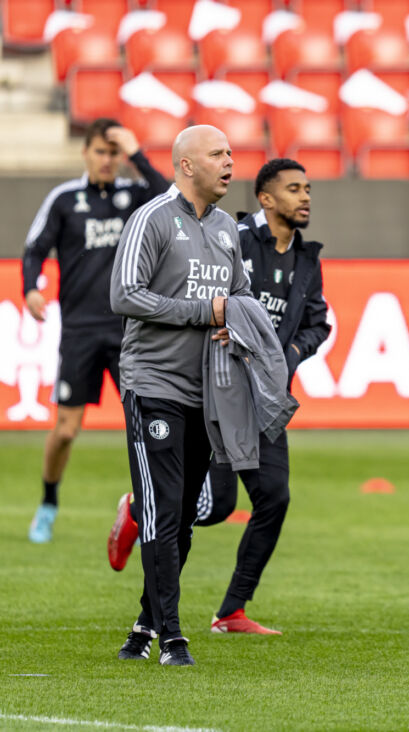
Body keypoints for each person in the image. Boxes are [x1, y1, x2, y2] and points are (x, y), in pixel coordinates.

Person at [107, 158, 331, 634]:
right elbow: (183, 291)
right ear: (266, 199)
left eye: (308, 188)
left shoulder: (308, 259)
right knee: (213, 506)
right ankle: (139, 510)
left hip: (264, 392)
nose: (306, 197)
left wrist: (288, 352)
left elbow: (318, 324)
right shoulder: (232, 234)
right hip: (220, 387)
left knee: (274, 496)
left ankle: (231, 609)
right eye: (294, 189)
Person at [109, 125, 250, 666]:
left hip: (206, 393)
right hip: (154, 386)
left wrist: (232, 322)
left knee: (185, 515)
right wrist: (201, 313)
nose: (229, 162)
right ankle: (172, 638)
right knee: (164, 511)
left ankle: (145, 625)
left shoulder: (226, 230)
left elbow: (235, 296)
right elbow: (124, 295)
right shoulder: (152, 218)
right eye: (218, 154)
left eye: (231, 153)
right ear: (186, 165)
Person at [23, 118, 170, 543]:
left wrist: (137, 153)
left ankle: (151, 507)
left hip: (131, 331)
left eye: (114, 152)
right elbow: (35, 248)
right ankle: (49, 502)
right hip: (81, 330)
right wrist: (31, 288)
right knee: (66, 430)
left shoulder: (136, 195)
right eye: (101, 151)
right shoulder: (65, 199)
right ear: (86, 153)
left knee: (144, 421)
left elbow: (171, 197)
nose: (108, 160)